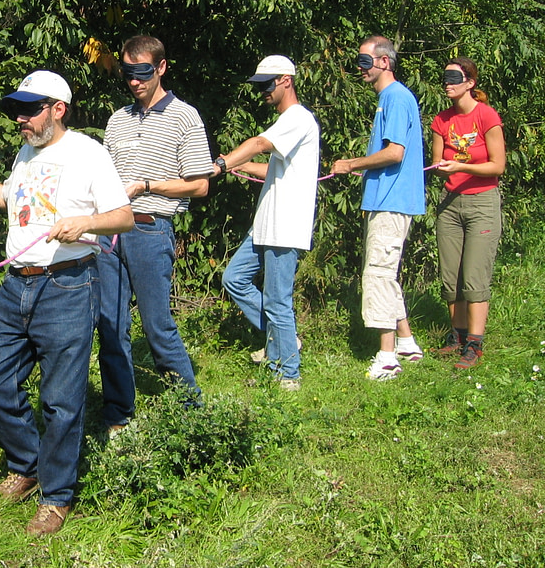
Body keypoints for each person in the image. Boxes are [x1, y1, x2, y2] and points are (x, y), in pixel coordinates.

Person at [0, 70, 133, 536]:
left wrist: (86, 223)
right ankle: (28, 463)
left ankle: (57, 496)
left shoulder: (88, 153)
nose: (20, 118)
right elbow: (8, 199)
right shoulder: (26, 153)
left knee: (61, 401)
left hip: (67, 286)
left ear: (58, 109)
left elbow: (126, 216)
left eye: (30, 109)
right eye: (16, 109)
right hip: (15, 285)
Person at [96, 35, 213, 430]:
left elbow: (199, 185)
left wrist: (147, 185)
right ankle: (117, 415)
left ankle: (191, 413)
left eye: (142, 72)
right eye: (128, 72)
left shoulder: (185, 116)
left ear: (161, 68)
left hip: (149, 229)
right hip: (109, 233)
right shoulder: (117, 120)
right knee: (110, 324)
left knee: (156, 325)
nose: (134, 80)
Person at [212, 55, 320, 390]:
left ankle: (288, 374)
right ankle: (282, 338)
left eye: (267, 84)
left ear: (286, 80)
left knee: (277, 300)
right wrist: (236, 167)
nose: (262, 92)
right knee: (234, 279)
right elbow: (270, 168)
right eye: (259, 85)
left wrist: (222, 162)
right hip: (265, 223)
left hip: (285, 225)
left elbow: (259, 145)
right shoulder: (288, 122)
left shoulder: (298, 118)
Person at [332, 35, 425, 381]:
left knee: (378, 274)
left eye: (365, 62)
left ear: (384, 62)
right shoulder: (388, 99)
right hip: (385, 199)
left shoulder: (397, 98)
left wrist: (352, 164)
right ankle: (407, 343)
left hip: (392, 200)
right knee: (386, 273)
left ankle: (387, 358)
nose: (361, 70)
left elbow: (395, 152)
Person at [430, 56, 505, 370]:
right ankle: (457, 337)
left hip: (482, 202)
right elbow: (437, 163)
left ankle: (475, 343)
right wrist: (440, 169)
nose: (448, 83)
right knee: (451, 277)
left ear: (470, 83)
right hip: (450, 203)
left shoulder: (486, 116)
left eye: (454, 78)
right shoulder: (441, 120)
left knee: (474, 277)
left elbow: (497, 165)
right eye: (445, 78)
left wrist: (461, 165)